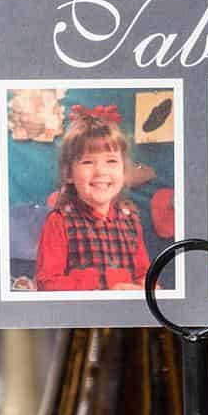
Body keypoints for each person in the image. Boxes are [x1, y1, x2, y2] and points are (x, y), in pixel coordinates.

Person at [30, 104, 151, 291]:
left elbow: (144, 275)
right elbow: (47, 284)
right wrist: (102, 288)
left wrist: (149, 287)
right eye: (87, 162)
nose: (101, 171)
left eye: (111, 161)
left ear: (124, 170)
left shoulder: (131, 220)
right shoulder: (59, 222)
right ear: (69, 173)